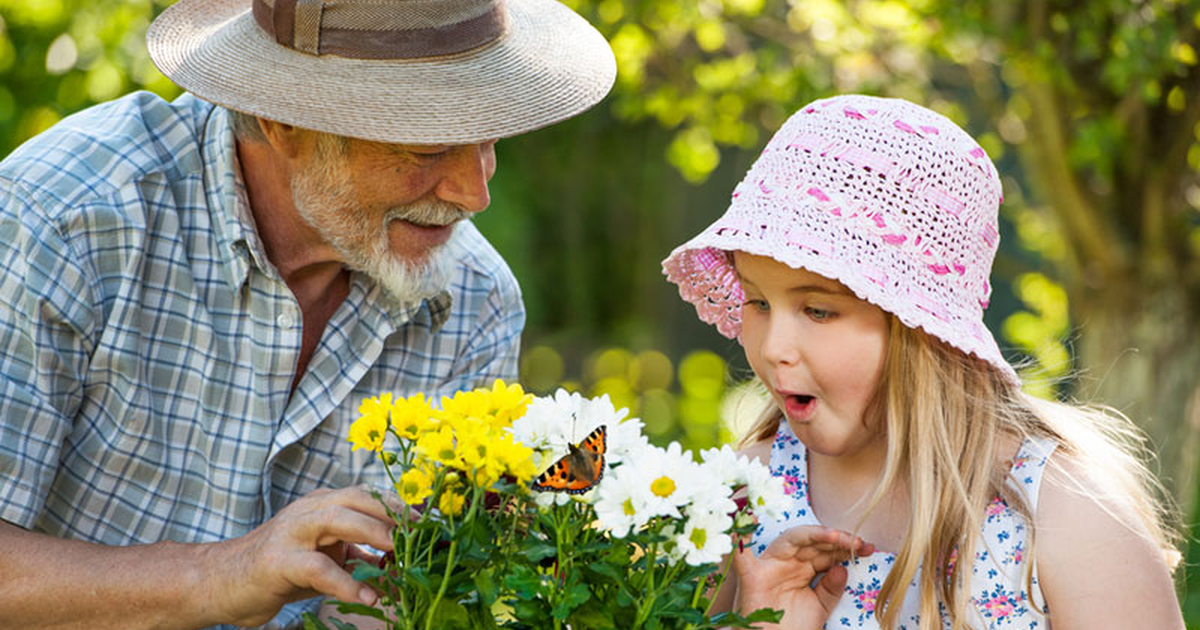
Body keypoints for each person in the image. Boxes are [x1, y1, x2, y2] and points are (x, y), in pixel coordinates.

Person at [0, 0, 615, 627]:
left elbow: (412, 599)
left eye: (488, 137)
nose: (474, 192)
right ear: (282, 121)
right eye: (429, 149)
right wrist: (227, 571)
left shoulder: (476, 301)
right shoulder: (68, 218)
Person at [662, 94, 1184, 630]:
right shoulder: (748, 497)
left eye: (818, 310)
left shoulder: (1063, 514)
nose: (773, 348)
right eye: (758, 302)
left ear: (920, 331)